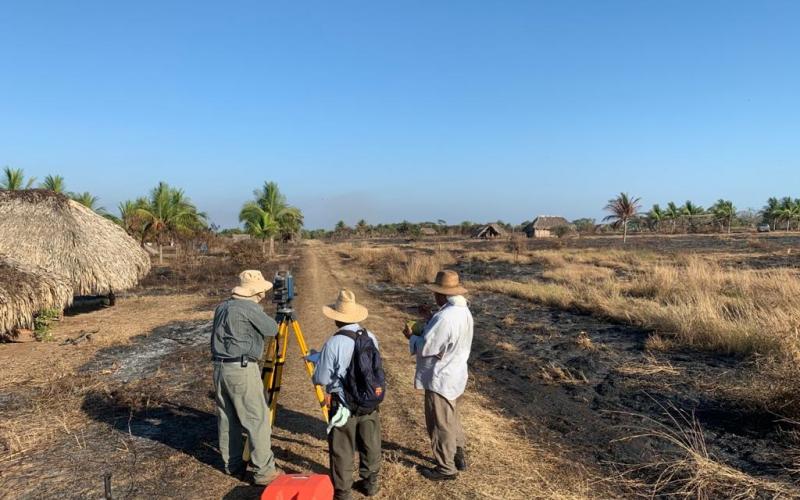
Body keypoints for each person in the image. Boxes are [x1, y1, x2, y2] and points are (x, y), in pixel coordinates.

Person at [211, 270, 282, 486]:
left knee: (227, 418)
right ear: (255, 291)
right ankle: (265, 472)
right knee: (257, 419)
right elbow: (272, 328)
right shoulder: (249, 307)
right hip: (241, 369)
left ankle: (232, 465)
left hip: (220, 368)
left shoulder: (222, 306)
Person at [313, 289, 382, 500]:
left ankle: (343, 492)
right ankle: (371, 484)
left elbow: (322, 379)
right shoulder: (371, 337)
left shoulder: (333, 343)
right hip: (370, 402)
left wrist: (317, 361)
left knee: (342, 448)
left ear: (337, 319)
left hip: (343, 405)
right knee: (370, 443)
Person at [404, 270, 474, 481]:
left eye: (436, 292)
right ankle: (457, 454)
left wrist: (411, 337)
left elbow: (427, 347)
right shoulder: (462, 311)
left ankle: (445, 468)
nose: (434, 296)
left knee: (439, 423)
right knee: (451, 417)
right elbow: (447, 336)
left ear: (443, 295)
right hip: (456, 374)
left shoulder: (445, 317)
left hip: (441, 377)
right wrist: (430, 318)